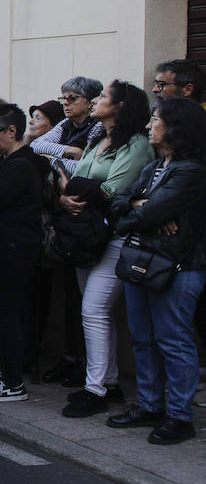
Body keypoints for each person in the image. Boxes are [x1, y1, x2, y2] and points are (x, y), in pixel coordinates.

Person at [106, 99, 206, 444]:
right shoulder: (154, 168)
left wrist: (143, 211)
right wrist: (138, 205)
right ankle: (149, 405)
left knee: (173, 341)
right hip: (143, 261)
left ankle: (180, 416)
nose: (149, 125)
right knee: (144, 338)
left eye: (156, 119)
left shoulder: (191, 170)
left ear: (176, 128)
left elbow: (146, 216)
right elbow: (118, 202)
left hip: (178, 267)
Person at [61, 80, 154, 418]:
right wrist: (65, 196)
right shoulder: (99, 138)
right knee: (97, 313)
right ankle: (108, 382)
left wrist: (75, 190)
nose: (97, 100)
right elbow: (76, 182)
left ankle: (95, 388)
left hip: (114, 237)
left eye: (103, 97)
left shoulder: (137, 144)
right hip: (86, 234)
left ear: (121, 106)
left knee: (94, 311)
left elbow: (113, 189)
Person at [31, 76, 104, 386]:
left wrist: (59, 161)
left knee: (86, 302)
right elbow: (37, 146)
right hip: (64, 219)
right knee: (70, 297)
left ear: (90, 101)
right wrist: (69, 153)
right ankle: (71, 357)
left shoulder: (98, 127)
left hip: (85, 219)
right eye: (63, 98)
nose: (66, 104)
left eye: (72, 98)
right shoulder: (67, 127)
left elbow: (87, 167)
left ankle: (85, 363)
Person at [0, 104, 49, 401]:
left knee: (7, 316)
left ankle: (13, 381)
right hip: (8, 248)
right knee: (3, 315)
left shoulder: (20, 166)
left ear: (11, 131)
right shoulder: (14, 161)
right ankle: (7, 372)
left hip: (11, 250)